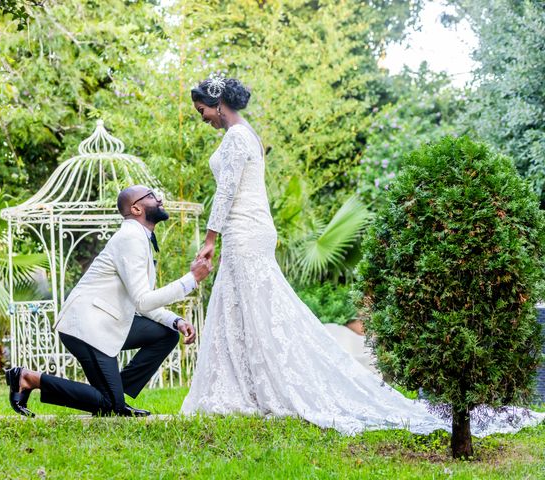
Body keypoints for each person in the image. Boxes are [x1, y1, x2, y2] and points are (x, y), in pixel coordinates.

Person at [180, 76, 545, 436]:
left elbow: (226, 191)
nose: (203, 118)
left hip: (243, 231)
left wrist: (211, 239)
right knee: (251, 306)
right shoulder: (250, 134)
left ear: (217, 104)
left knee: (252, 306)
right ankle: (251, 385)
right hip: (254, 229)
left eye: (202, 111)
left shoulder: (234, 137)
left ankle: (258, 386)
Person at [6, 185, 212, 417]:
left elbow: (140, 300)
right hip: (87, 326)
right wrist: (191, 279)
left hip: (107, 323)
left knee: (167, 334)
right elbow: (144, 302)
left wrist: (175, 321)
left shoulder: (139, 237)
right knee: (107, 406)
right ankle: (28, 378)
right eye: (153, 196)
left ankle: (115, 393)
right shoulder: (131, 237)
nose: (160, 198)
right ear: (136, 208)